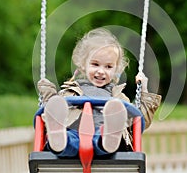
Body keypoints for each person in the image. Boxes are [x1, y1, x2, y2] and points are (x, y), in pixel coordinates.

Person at [37, 28, 161, 157]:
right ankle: (59, 139)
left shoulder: (118, 97)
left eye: (108, 67)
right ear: (83, 64)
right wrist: (48, 93)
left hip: (104, 136)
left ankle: (110, 137)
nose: (101, 71)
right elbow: (53, 112)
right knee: (69, 137)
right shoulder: (69, 92)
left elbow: (138, 121)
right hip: (74, 133)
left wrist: (144, 91)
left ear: (116, 69)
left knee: (106, 134)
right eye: (95, 64)